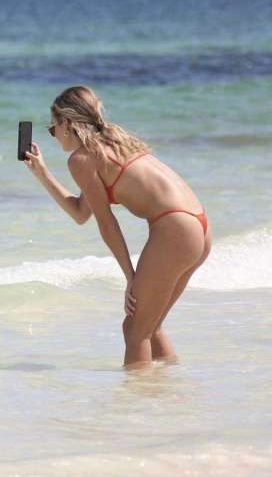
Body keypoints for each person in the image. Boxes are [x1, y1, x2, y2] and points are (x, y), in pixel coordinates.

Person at [24, 86, 211, 368]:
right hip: (198, 226)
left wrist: (130, 278)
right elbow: (80, 212)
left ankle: (136, 404)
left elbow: (107, 224)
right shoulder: (115, 144)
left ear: (67, 124)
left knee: (135, 331)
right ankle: (168, 390)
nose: (54, 135)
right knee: (149, 326)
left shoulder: (81, 159)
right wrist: (42, 172)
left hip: (175, 230)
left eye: (53, 128)